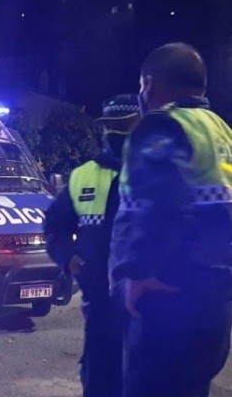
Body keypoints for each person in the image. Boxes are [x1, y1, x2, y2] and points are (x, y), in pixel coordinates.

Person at [110, 43, 232, 397]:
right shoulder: (221, 131)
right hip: (213, 302)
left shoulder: (162, 125)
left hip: (167, 297)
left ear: (149, 84)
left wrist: (138, 272)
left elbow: (161, 202)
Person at [45, 94, 139, 397]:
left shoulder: (155, 174)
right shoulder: (83, 175)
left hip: (146, 303)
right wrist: (67, 258)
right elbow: (55, 226)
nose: (116, 133)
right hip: (99, 301)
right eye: (111, 125)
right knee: (99, 378)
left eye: (125, 125)